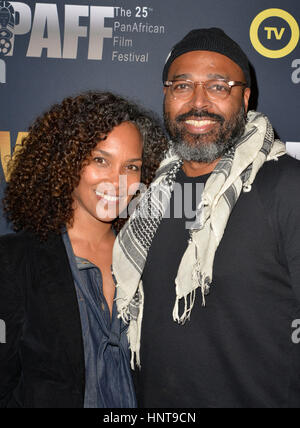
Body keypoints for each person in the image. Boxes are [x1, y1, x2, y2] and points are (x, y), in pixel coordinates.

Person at [113, 28, 300, 408]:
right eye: (182, 86)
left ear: (245, 98)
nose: (198, 103)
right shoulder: (149, 195)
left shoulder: (287, 187)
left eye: (218, 86)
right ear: (166, 95)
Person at [0, 91, 168, 408]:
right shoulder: (15, 261)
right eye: (101, 160)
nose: (118, 181)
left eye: (131, 167)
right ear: (66, 161)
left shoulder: (151, 259)